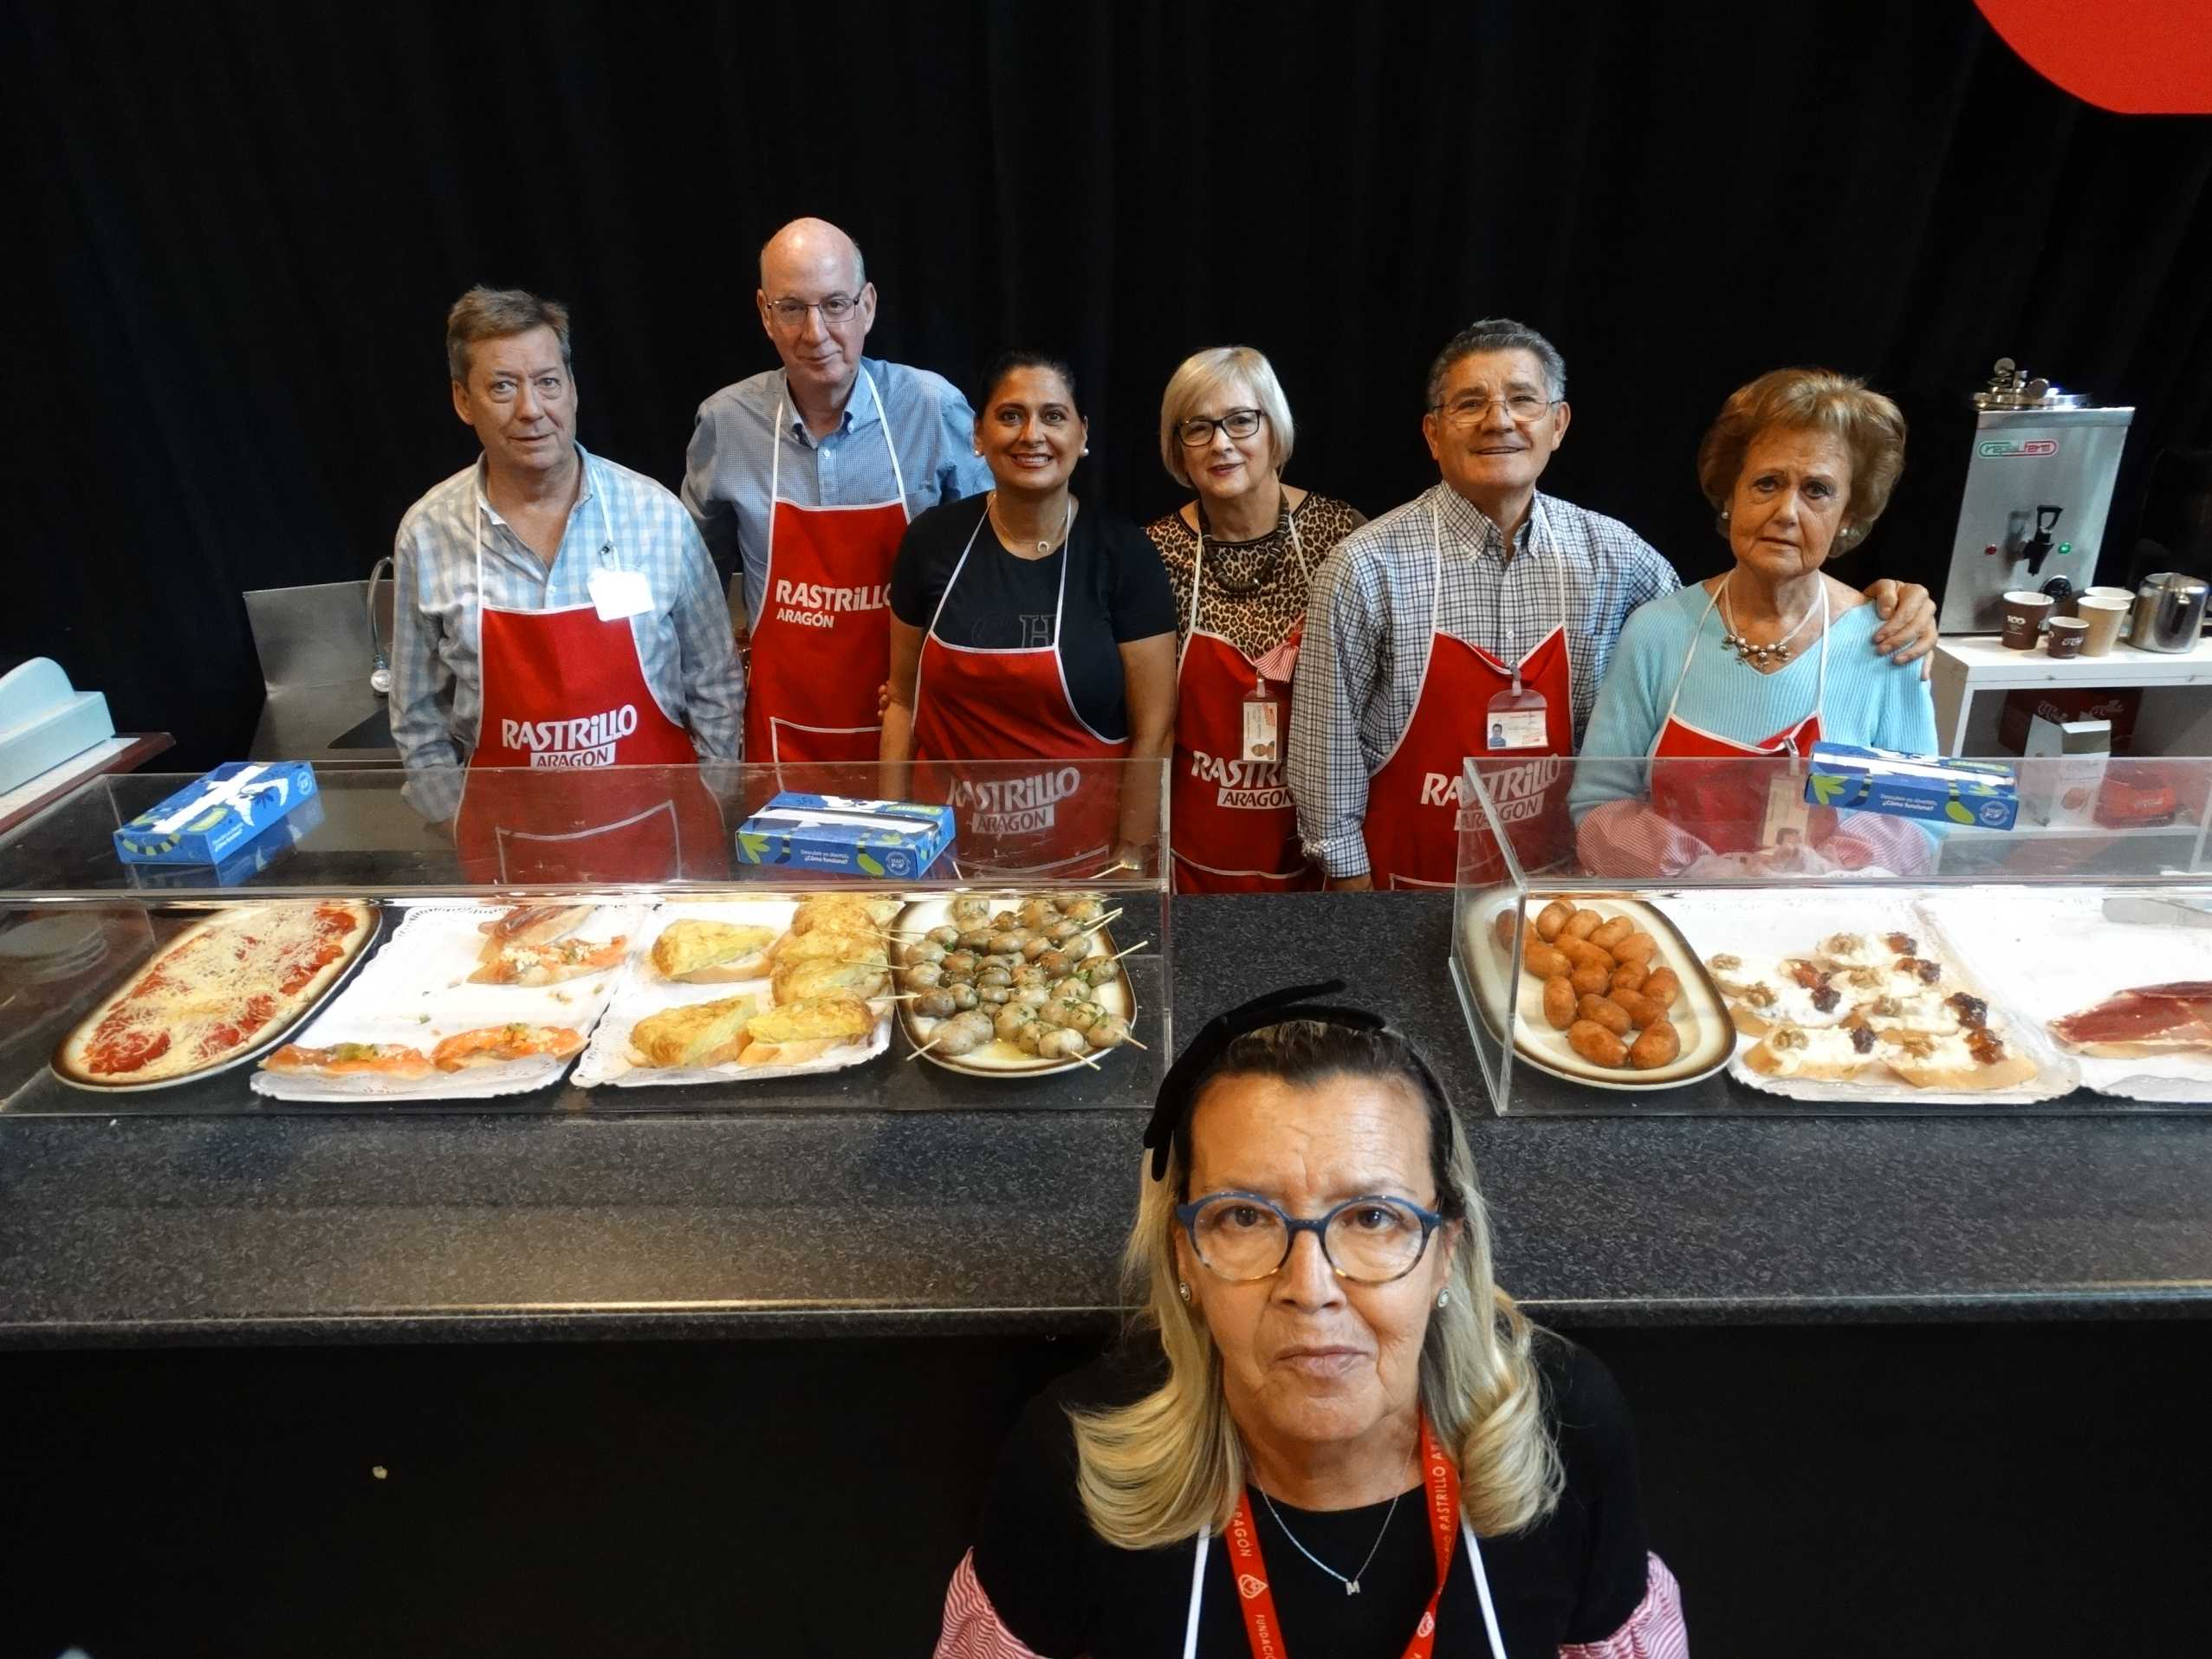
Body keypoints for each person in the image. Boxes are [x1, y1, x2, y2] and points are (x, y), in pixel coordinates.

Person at [936, 984, 1687, 1656]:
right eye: (1243, 1216)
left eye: (1371, 1216)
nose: (1310, 1286)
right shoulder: (1074, 1461)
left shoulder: (1563, 1430)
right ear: (1185, 1258)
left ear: (1444, 1255)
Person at [1288, 317, 1939, 891]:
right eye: (1470, 403)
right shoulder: (1364, 566)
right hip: (1409, 875)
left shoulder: (1617, 556)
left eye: (1522, 399)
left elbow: (1924, 814)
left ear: (1558, 424)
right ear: (1432, 433)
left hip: (1559, 881)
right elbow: (1325, 745)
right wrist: (1352, 884)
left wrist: (1892, 601)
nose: (1499, 419)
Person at [391, 286, 741, 881]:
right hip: (513, 859)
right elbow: (415, 712)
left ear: (573, 389)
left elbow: (715, 679)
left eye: (548, 382)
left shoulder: (654, 515)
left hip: (666, 846)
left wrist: (710, 794)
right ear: (462, 399)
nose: (531, 408)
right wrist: (457, 820)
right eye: (503, 386)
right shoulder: (427, 533)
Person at [1570, 368, 1940, 875]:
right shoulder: (1657, 632)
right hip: (1676, 925)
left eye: (1818, 490)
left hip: (1828, 938)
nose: (1787, 512)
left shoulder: (1889, 640)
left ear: (1849, 515)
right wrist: (1700, 874)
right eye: (1767, 483)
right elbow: (1599, 805)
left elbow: (1922, 818)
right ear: (1730, 497)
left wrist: (1830, 874)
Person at [682, 217, 990, 768]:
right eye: (793, 308)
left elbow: (988, 567)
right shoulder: (725, 423)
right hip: (784, 735)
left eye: (835, 304)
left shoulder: (932, 408)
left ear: (867, 306)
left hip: (910, 726)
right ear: (764, 314)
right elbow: (697, 590)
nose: (815, 332)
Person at [882, 353, 1177, 877]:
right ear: (978, 434)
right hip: (948, 869)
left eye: (1054, 416)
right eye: (1011, 415)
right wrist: (896, 847)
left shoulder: (1122, 552)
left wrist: (1130, 862)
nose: (1032, 434)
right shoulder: (931, 543)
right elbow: (903, 703)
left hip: (1087, 874)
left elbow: (1153, 730)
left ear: (1082, 435)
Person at [1142, 347, 1366, 892]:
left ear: (1275, 429)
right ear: (1179, 449)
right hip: (1194, 857)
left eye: (1241, 420)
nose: (1221, 443)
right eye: (1198, 428)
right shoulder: (1153, 552)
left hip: (1320, 850)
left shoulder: (1343, 537)